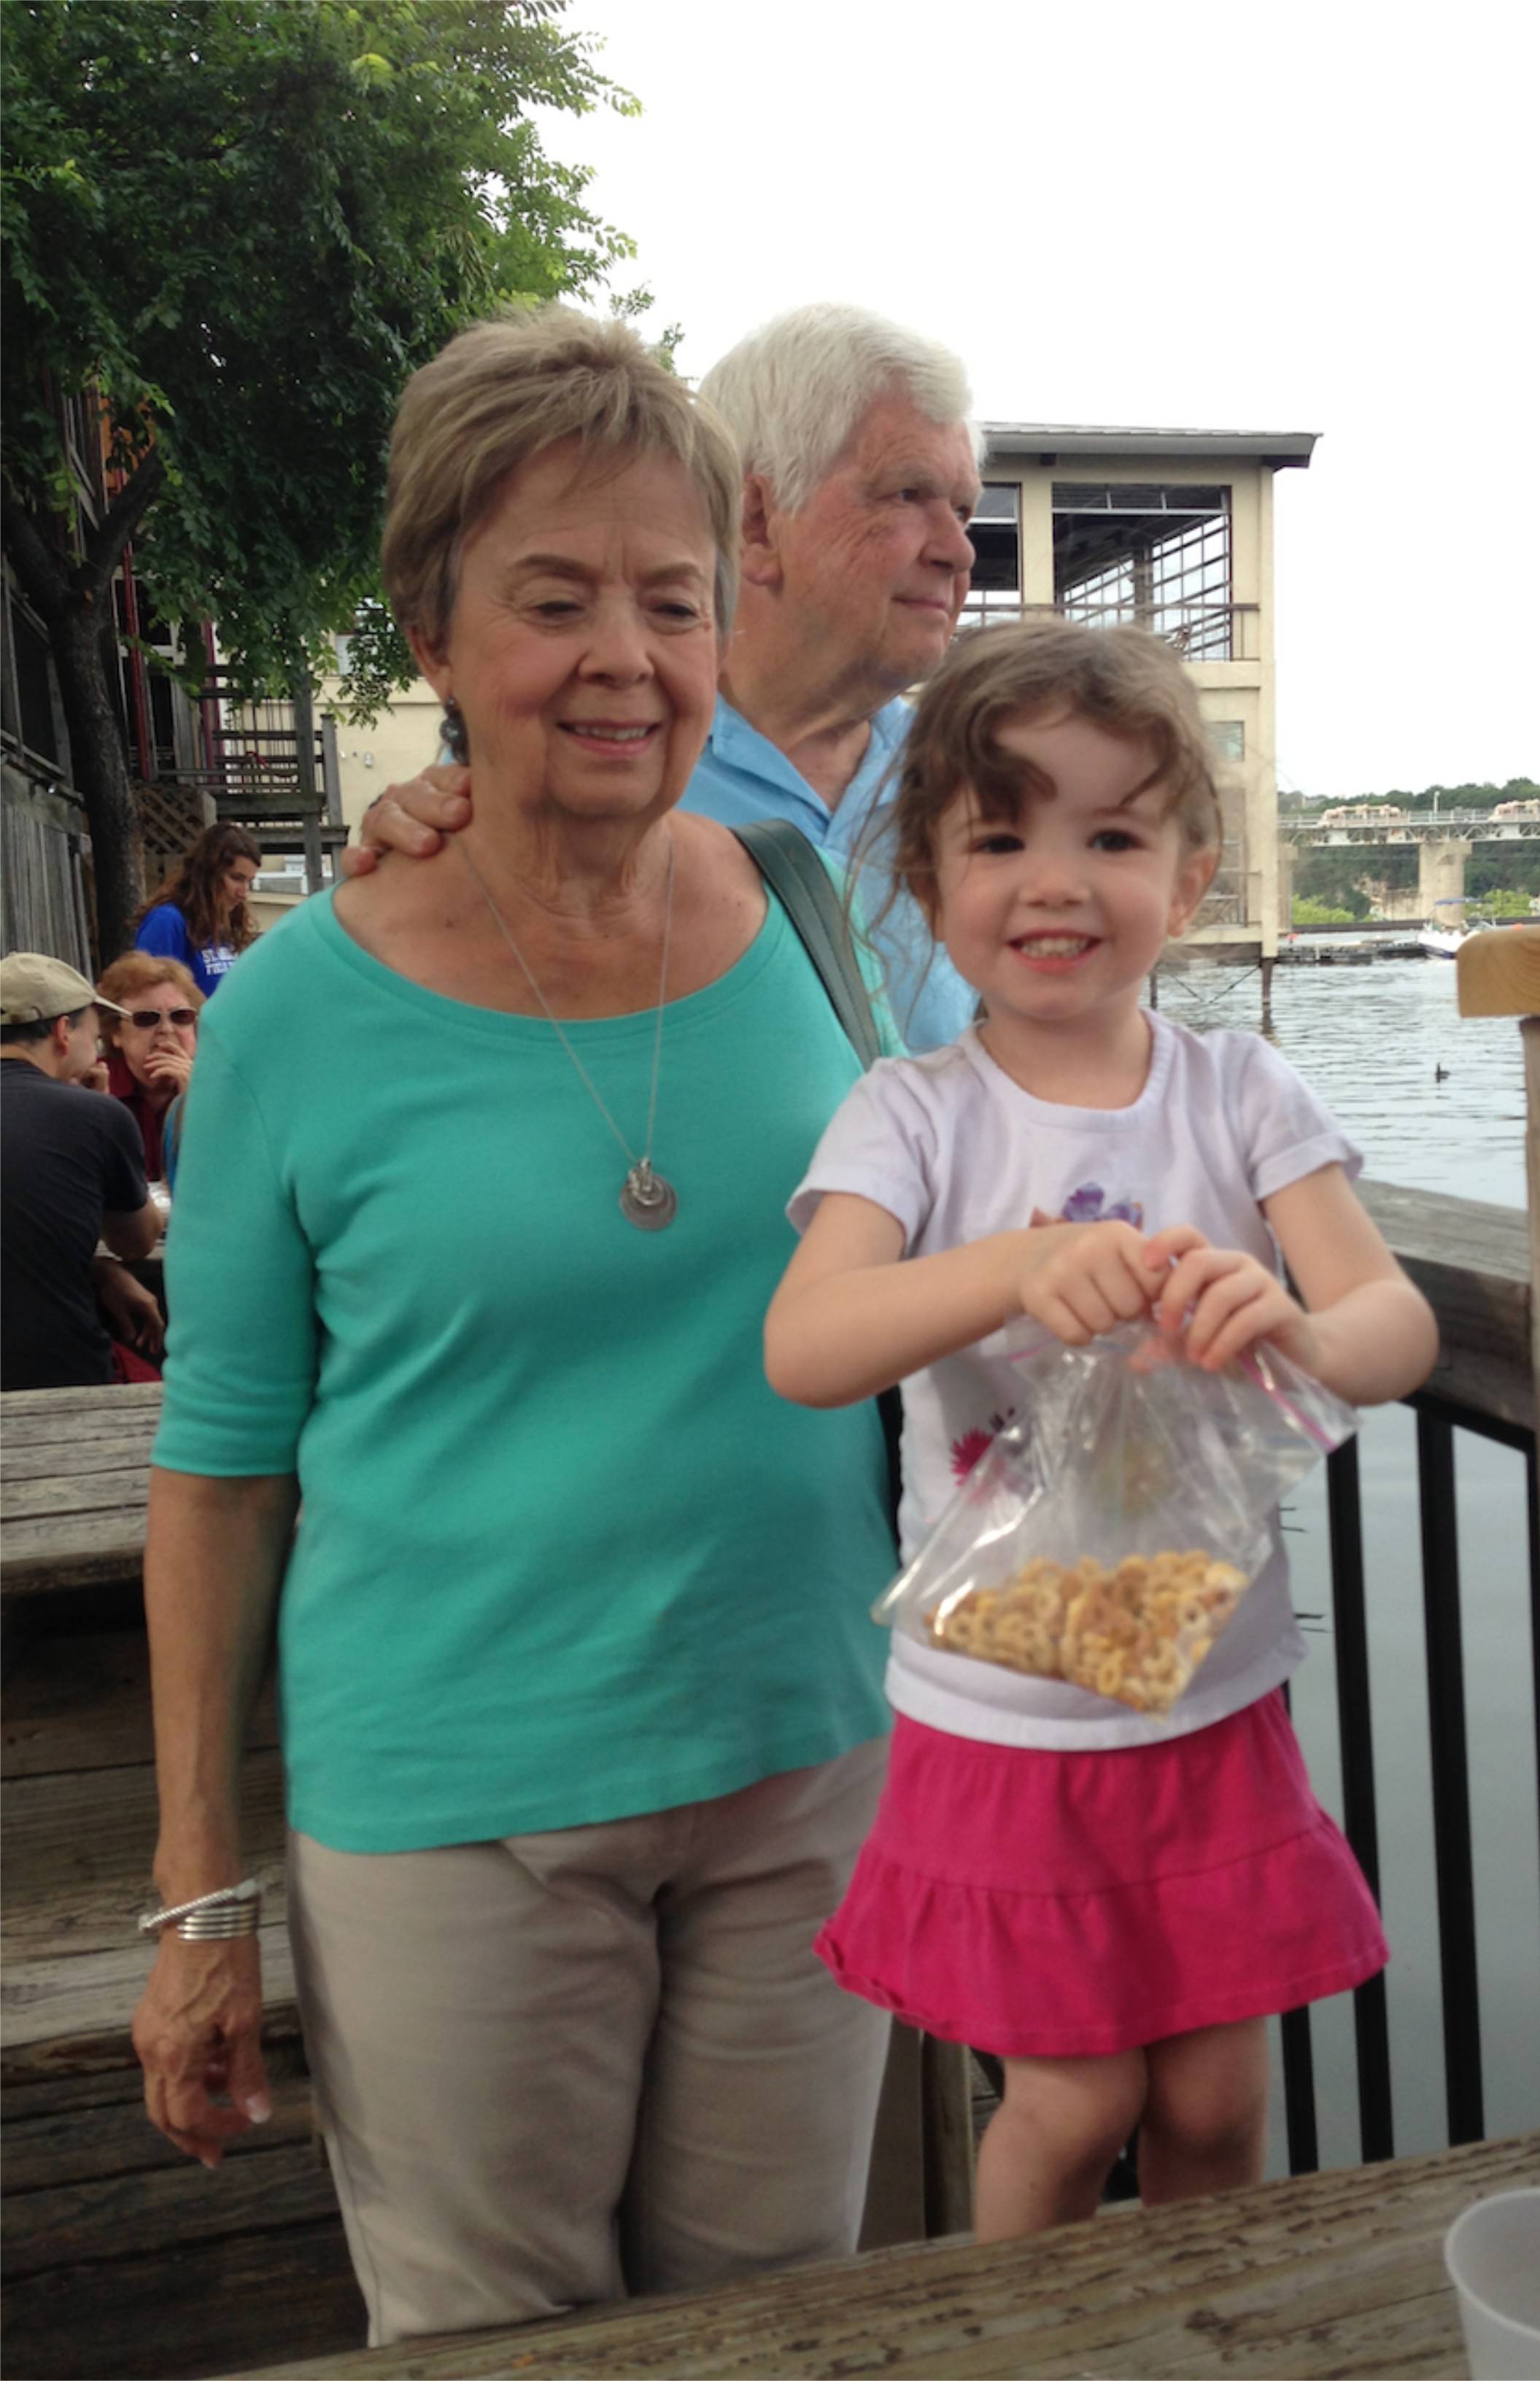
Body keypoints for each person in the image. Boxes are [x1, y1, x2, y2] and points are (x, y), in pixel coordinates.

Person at [129, 306, 902, 2347]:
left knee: (779, 2327)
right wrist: (200, 1894)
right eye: (553, 601)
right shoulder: (297, 1013)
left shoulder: (803, 909)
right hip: (456, 1811)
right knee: (497, 2342)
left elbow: (965, 1190)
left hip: (809, 1763)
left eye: (671, 600)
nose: (623, 657)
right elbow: (218, 1473)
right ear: (435, 635)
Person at [763, 622, 1439, 2242]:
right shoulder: (912, 1113)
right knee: (1072, 2105)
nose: (1054, 882)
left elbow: (1392, 1322)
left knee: (1213, 2098)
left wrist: (1295, 1328)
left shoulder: (1240, 1091)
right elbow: (806, 1344)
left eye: (1114, 838)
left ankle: (1194, 2331)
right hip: (1002, 1716)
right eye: (999, 838)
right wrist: (1009, 1270)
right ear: (927, 884)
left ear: (1188, 879)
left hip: (1211, 1693)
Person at [349, 303, 983, 1052]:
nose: (959, 551)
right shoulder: (575, 755)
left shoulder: (984, 777)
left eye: (964, 511)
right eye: (908, 494)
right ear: (756, 520)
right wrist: (415, 849)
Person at [1, 953, 163, 1389]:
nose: (98, 1052)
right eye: (95, 1038)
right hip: (57, 1376)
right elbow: (136, 1243)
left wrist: (96, 1270)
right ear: (62, 1032)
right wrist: (101, 1106)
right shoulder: (96, 1116)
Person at [94, 953, 201, 1182]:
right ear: (115, 1032)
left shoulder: (220, 1086)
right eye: (146, 1019)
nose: (166, 1029)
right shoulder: (96, 1085)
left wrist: (195, 1104)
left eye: (181, 1017)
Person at [133, 821, 261, 995]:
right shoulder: (167, 922)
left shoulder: (226, 922)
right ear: (208, 874)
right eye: (236, 878)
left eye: (249, 882)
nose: (244, 893)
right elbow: (148, 994)